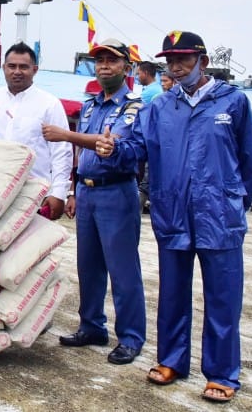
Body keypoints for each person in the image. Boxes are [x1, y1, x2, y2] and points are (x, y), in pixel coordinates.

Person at [96, 30, 252, 404]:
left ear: (202, 61)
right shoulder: (160, 107)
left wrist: (237, 202)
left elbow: (251, 158)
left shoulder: (232, 102)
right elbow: (136, 147)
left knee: (223, 298)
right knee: (171, 293)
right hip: (172, 211)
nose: (176, 65)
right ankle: (172, 360)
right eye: (170, 60)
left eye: (184, 58)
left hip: (219, 215)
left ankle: (221, 373)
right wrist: (113, 149)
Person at [41, 39, 145, 365]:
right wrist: (72, 189)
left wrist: (66, 134)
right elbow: (85, 151)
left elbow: (111, 143)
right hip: (86, 192)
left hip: (117, 192)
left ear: (127, 68)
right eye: (99, 60)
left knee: (123, 270)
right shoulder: (89, 106)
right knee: (89, 267)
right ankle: (91, 326)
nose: (103, 66)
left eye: (111, 61)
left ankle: (130, 337)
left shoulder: (134, 106)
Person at [0, 42, 73, 219]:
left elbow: (61, 152)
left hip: (33, 193)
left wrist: (58, 193)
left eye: (23, 67)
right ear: (3, 68)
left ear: (34, 70)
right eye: (12, 66)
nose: (17, 71)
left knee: (34, 245)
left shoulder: (49, 104)